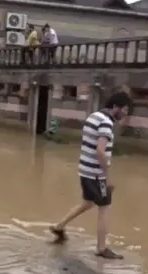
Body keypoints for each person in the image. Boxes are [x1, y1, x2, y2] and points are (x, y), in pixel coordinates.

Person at [49, 91, 132, 260]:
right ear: (115, 107)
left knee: (87, 203)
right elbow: (101, 151)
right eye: (124, 110)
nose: (125, 114)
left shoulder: (94, 116)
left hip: (85, 170)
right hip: (96, 174)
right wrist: (107, 177)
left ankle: (59, 227)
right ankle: (102, 248)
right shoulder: (106, 123)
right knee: (105, 208)